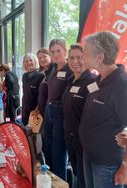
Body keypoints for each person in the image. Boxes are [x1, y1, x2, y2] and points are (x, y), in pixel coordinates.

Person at [79, 31, 127, 188]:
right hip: (91, 154)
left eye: (85, 53)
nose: (82, 57)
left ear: (99, 57)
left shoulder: (122, 83)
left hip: (106, 163)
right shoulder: (101, 78)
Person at [62, 44, 97, 188]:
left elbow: (96, 113)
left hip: (84, 141)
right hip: (69, 136)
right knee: (76, 174)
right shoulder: (70, 80)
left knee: (84, 180)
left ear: (87, 59)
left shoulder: (93, 81)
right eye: (72, 58)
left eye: (79, 58)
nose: (75, 61)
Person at [41, 38, 73, 180]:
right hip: (49, 110)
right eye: (52, 52)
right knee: (46, 148)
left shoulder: (70, 69)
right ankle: (50, 180)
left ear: (65, 50)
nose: (55, 54)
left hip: (60, 113)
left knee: (58, 152)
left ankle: (60, 182)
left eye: (58, 51)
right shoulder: (53, 68)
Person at [21, 53, 44, 126]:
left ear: (35, 61)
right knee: (25, 131)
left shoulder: (41, 76)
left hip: (35, 110)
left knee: (34, 132)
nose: (28, 63)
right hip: (25, 108)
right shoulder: (24, 76)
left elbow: (42, 95)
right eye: (26, 61)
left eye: (31, 60)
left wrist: (37, 108)